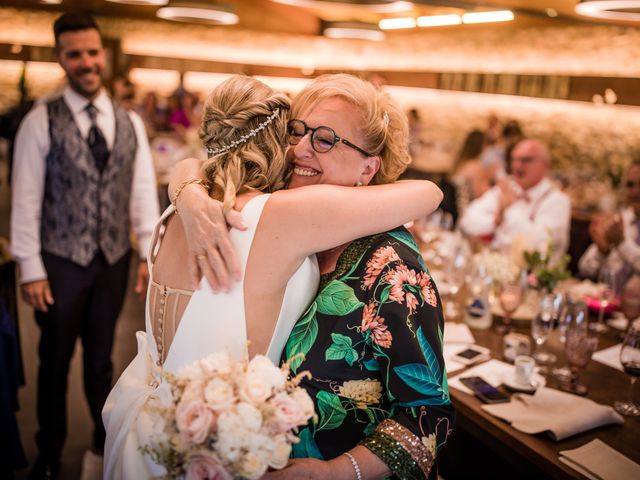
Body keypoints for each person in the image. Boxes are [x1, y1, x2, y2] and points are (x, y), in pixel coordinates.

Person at [102, 74, 444, 479]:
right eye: (296, 131)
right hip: (215, 452)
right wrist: (191, 191)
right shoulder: (266, 216)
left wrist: (335, 473)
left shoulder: (391, 268)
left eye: (325, 138)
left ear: (369, 167)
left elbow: (426, 415)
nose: (300, 148)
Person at [9, 13, 160, 480]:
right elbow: (26, 196)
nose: (87, 62)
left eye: (92, 52)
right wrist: (30, 267)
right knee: (54, 361)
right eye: (75, 54)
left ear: (104, 55)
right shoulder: (40, 120)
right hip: (59, 263)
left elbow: (140, 190)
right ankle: (50, 455)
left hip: (112, 260)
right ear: (62, 59)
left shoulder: (129, 121)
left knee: (101, 360)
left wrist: (144, 254)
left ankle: (103, 442)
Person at [458, 138, 570, 261]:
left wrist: (509, 208)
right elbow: (467, 220)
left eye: (526, 160)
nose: (517, 166)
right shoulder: (508, 188)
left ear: (545, 165)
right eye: (514, 159)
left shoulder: (558, 201)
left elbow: (535, 245)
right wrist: (496, 221)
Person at [578, 160, 640, 281]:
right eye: (630, 185)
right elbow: (584, 268)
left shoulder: (618, 231)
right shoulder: (620, 221)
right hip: (608, 296)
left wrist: (622, 244)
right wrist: (602, 251)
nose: (635, 191)